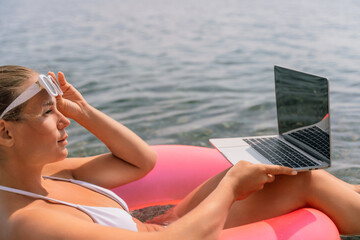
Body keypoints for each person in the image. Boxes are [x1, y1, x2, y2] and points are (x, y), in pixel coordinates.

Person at [0, 65, 359, 240]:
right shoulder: (28, 220)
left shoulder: (50, 175)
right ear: (6, 132)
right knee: (304, 183)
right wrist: (231, 185)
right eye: (48, 112)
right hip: (180, 234)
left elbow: (140, 162)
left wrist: (86, 112)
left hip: (164, 223)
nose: (64, 120)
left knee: (293, 174)